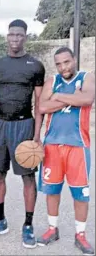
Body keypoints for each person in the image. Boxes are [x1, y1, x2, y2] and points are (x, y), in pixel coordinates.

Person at [0, 19, 45, 248]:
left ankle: (28, 225)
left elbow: (40, 103)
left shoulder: (35, 66)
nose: (15, 38)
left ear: (25, 37)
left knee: (28, 177)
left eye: (19, 35)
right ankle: (0, 221)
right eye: (12, 34)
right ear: (7, 36)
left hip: (23, 125)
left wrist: (37, 135)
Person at [37, 47, 95, 255]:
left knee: (81, 194)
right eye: (59, 64)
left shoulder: (86, 77)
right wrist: (72, 98)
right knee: (52, 191)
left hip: (78, 145)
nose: (63, 67)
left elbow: (86, 100)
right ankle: (52, 229)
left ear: (74, 59)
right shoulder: (52, 81)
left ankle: (80, 235)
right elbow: (42, 107)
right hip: (52, 145)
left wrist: (58, 96)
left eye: (66, 62)